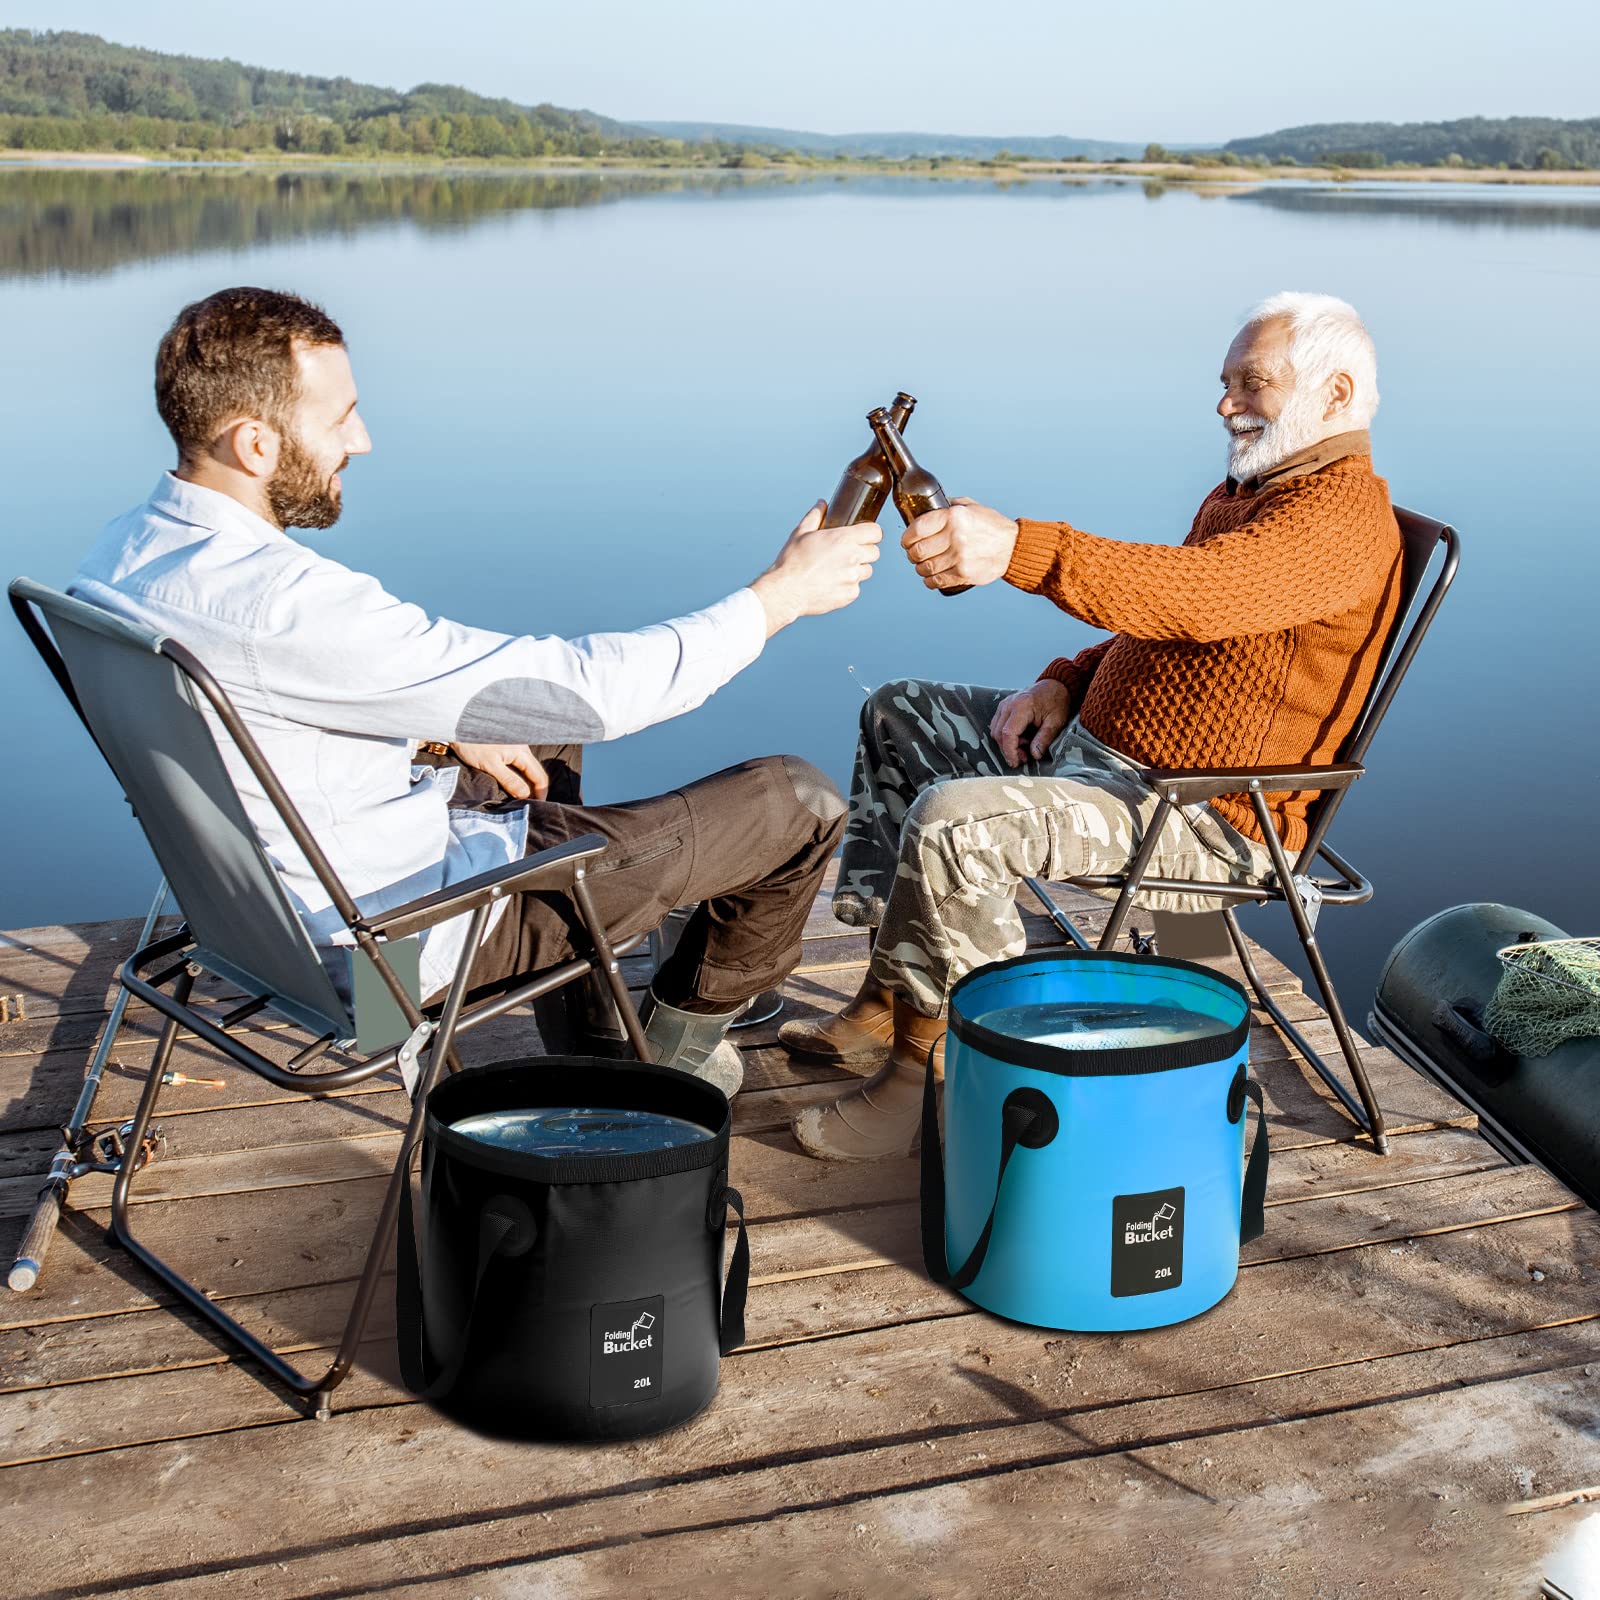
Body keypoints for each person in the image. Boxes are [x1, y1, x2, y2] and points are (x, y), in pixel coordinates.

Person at [72, 286, 883, 1098]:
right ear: (254, 443)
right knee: (797, 803)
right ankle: (669, 1051)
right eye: (339, 418)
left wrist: (435, 732)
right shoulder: (284, 605)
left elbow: (259, 719)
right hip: (383, 956)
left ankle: (590, 1027)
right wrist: (779, 597)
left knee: (532, 737)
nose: (362, 439)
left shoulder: (130, 551)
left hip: (253, 922)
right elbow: (596, 692)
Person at [788, 291, 1403, 1160]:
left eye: (1250, 384)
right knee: (900, 713)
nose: (1226, 404)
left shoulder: (1336, 521)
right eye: (1225, 383)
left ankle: (934, 1074)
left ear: (1335, 394)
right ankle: (889, 999)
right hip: (1104, 757)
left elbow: (1196, 597)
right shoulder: (1255, 491)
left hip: (1204, 818)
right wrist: (1066, 684)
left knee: (961, 824)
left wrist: (1020, 550)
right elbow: (1165, 613)